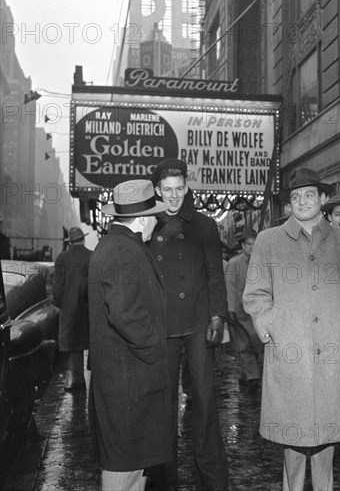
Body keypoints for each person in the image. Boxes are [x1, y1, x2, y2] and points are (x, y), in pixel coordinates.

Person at [243, 168, 340, 491]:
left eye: (309, 195)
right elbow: (255, 293)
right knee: (292, 435)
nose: (301, 202)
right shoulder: (268, 240)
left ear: (323, 199)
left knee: (329, 433)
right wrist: (268, 324)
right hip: (290, 351)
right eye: (295, 197)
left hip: (333, 351)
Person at [147, 158, 229, 491]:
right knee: (161, 405)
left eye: (179, 189)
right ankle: (162, 480)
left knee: (206, 402)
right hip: (162, 326)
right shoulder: (148, 225)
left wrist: (217, 316)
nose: (174, 196)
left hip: (197, 323)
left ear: (186, 186)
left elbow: (215, 275)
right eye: (167, 190)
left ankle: (211, 480)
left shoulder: (204, 225)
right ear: (157, 190)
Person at [88, 179, 173, 491]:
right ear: (141, 219)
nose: (156, 224)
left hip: (125, 379)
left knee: (135, 467)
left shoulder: (118, 245)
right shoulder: (124, 250)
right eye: (154, 217)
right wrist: (155, 350)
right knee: (123, 469)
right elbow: (125, 314)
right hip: (129, 381)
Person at [52, 226, 92, 392]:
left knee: (74, 346)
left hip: (70, 308)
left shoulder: (62, 258)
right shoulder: (91, 256)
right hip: (89, 308)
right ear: (83, 239)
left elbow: (57, 287)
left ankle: (78, 381)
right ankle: (97, 379)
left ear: (70, 242)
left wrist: (62, 304)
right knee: (93, 342)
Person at [225, 228, 263, 389]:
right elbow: (230, 287)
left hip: (258, 312)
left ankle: (250, 373)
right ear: (242, 245)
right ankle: (251, 376)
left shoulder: (263, 263)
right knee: (242, 345)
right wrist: (231, 310)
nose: (252, 248)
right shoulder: (234, 263)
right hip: (240, 312)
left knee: (258, 344)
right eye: (249, 244)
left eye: (255, 244)